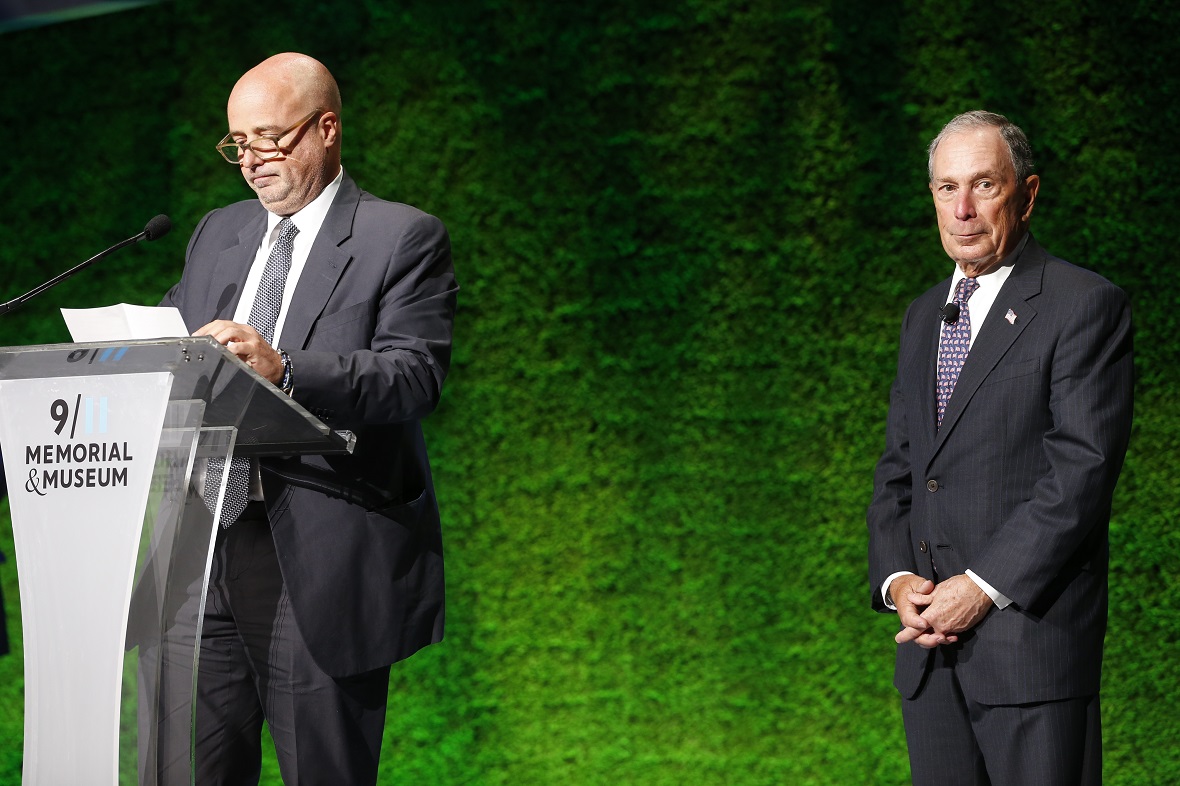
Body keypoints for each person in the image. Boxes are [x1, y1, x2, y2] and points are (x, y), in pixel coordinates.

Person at [156, 52, 456, 784]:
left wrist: (282, 367)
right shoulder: (217, 232)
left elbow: (413, 374)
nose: (251, 161)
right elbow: (172, 332)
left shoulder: (400, 237)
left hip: (321, 544)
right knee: (196, 768)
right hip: (207, 543)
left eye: (269, 138)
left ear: (326, 129)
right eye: (237, 144)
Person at [867, 110, 1133, 785]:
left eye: (983, 185)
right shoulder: (923, 315)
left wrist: (981, 590)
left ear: (1028, 192)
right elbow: (903, 468)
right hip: (930, 661)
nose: (961, 210)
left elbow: (1082, 472)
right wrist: (899, 581)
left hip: (1031, 655)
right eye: (944, 187)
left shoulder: (1084, 304)